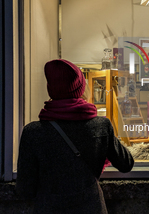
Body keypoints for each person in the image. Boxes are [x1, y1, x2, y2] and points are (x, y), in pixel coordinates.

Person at [16, 59, 134, 214]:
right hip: (91, 207)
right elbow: (126, 164)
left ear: (51, 89)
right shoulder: (101, 126)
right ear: (81, 88)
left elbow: (25, 189)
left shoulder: (32, 132)